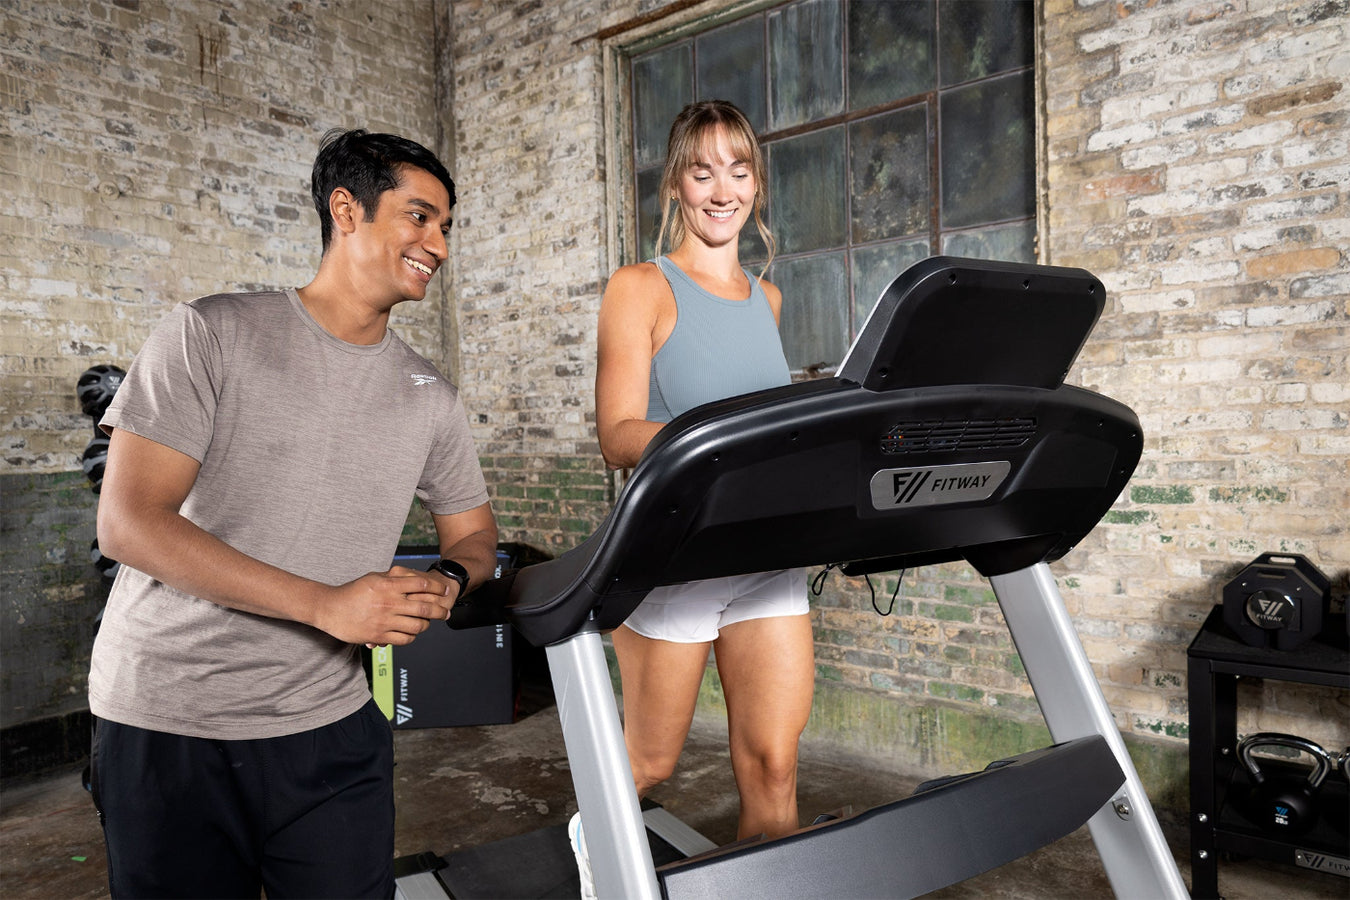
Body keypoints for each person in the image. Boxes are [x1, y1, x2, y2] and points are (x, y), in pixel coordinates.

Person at [89, 129, 498, 899]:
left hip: (331, 723)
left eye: (446, 226)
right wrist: (325, 605)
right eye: (419, 217)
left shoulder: (429, 396)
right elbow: (130, 522)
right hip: (170, 719)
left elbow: (475, 535)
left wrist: (448, 579)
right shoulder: (210, 333)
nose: (437, 244)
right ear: (347, 209)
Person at [587, 99, 814, 860]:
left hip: (764, 555)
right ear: (676, 187)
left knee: (774, 765)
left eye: (739, 170)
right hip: (676, 556)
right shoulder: (640, 287)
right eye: (702, 171)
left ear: (757, 184)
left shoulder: (768, 300)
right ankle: (597, 859)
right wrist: (732, 442)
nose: (723, 190)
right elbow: (618, 436)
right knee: (647, 764)